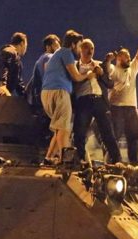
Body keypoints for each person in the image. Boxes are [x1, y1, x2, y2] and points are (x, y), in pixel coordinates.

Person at [41, 30, 96, 164]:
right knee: (64, 128)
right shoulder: (66, 53)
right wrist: (89, 75)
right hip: (59, 92)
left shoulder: (56, 54)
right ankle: (65, 160)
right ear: (73, 44)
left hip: (46, 93)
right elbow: (76, 76)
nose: (79, 49)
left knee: (59, 128)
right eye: (79, 45)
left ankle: (49, 157)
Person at [108, 24, 138, 165]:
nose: (128, 58)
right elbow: (105, 70)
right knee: (114, 137)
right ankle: (112, 161)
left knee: (133, 137)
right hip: (116, 108)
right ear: (119, 59)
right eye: (125, 57)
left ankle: (134, 163)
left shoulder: (133, 69)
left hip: (131, 108)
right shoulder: (113, 70)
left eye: (129, 56)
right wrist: (108, 61)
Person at [72, 38, 121, 163]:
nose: (90, 51)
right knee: (80, 132)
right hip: (84, 101)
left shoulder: (99, 64)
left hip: (100, 101)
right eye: (87, 47)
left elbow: (110, 84)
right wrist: (86, 77)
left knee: (108, 133)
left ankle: (117, 161)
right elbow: (73, 84)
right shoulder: (74, 66)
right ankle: (81, 160)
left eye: (92, 48)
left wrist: (102, 74)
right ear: (80, 50)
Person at [25, 34, 60, 114]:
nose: (59, 49)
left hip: (40, 102)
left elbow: (32, 84)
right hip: (49, 100)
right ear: (48, 47)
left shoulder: (39, 61)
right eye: (56, 46)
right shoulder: (50, 57)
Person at [0, 32, 28, 97]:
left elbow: (18, 82)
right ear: (22, 43)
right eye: (26, 45)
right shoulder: (10, 51)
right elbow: (4, 66)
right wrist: (2, 85)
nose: (26, 48)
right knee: (9, 102)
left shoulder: (17, 62)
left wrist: (26, 96)